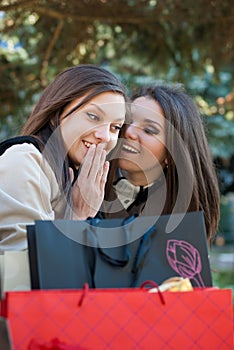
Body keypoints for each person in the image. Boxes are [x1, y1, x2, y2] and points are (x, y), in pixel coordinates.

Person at [0, 64, 128, 251]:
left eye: (115, 127)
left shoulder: (79, 180)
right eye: (93, 116)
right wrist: (77, 215)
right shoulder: (24, 160)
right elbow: (23, 269)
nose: (105, 136)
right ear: (56, 115)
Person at [100, 83, 220, 244]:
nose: (129, 131)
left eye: (149, 130)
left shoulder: (184, 214)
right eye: (127, 120)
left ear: (171, 155)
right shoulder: (81, 181)